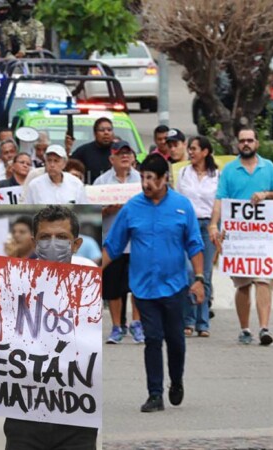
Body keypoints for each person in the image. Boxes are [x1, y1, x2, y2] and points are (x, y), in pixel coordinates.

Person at [0, 206, 99, 449]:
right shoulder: (12, 286)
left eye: (62, 237)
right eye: (45, 237)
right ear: (34, 242)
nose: (53, 243)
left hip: (77, 416)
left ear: (76, 244)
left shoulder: (91, 287)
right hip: (25, 415)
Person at [104, 153, 205, 412]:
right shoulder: (132, 208)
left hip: (174, 286)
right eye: (143, 178)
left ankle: (177, 380)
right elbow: (113, 246)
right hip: (143, 287)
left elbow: (194, 244)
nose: (145, 183)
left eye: (151, 179)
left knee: (175, 340)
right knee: (152, 339)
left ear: (164, 179)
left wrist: (200, 279)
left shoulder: (182, 206)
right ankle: (155, 394)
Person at [209, 127, 273, 345]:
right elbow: (220, 200)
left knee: (263, 280)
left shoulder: (268, 167)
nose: (246, 144)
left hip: (261, 237)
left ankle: (264, 328)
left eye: (250, 140)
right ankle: (244, 328)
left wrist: (266, 194)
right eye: (242, 141)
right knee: (243, 284)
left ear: (257, 143)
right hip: (238, 237)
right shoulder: (230, 171)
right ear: (238, 144)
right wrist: (214, 224)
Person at [94, 140, 145, 345]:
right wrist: (107, 210)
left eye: (128, 153)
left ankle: (137, 324)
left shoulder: (142, 180)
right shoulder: (101, 182)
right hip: (112, 242)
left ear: (133, 157)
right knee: (114, 288)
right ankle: (116, 327)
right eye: (120, 154)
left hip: (138, 242)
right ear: (111, 159)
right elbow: (91, 212)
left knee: (138, 287)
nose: (125, 157)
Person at [176, 136, 219, 337]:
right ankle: (188, 319)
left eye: (194, 149)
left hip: (208, 225)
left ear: (205, 152)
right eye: (190, 149)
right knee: (188, 272)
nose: (191, 152)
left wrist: (218, 229)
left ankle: (203, 323)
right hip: (187, 225)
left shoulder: (216, 175)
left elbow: (220, 203)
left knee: (206, 274)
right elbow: (176, 200)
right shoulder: (183, 173)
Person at [70, 117, 115, 184]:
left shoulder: (119, 151)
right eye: (102, 130)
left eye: (109, 130)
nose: (106, 133)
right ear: (95, 133)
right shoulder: (83, 152)